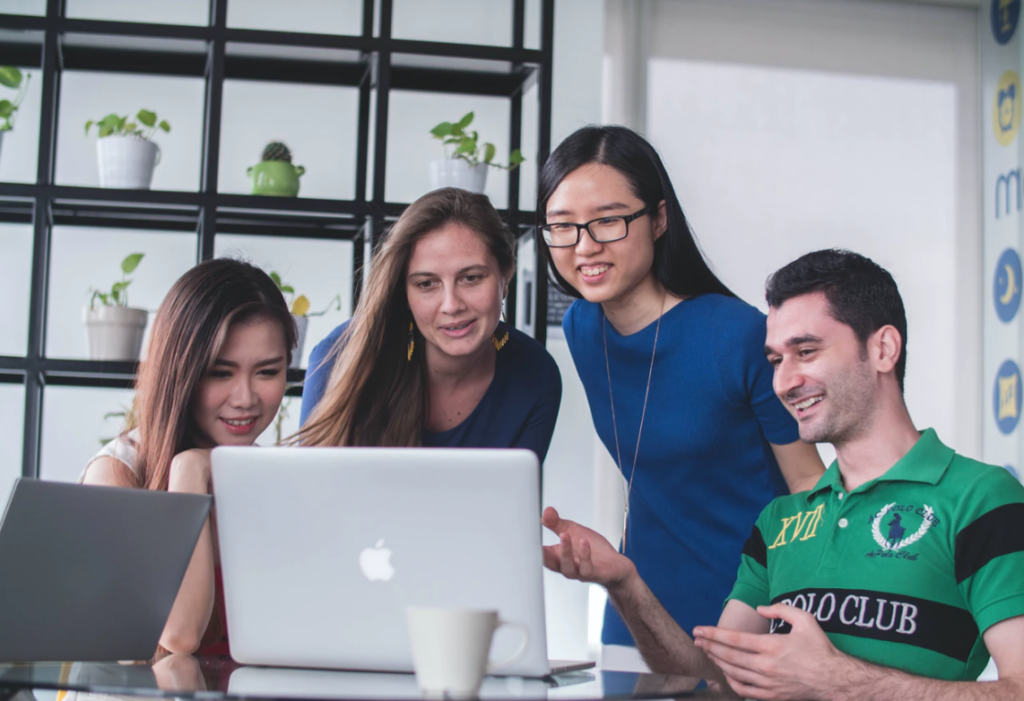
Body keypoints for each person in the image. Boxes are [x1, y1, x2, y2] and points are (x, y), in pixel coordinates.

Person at [543, 249, 1024, 699]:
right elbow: (712, 680)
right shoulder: (780, 520)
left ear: (883, 349)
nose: (784, 381)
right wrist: (625, 582)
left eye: (807, 351)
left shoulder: (980, 498)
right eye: (775, 359)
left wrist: (836, 679)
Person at [538, 125, 825, 665]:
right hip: (636, 612)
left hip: (746, 614)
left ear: (660, 218)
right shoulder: (582, 327)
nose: (585, 246)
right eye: (563, 227)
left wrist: (795, 615)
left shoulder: (736, 334)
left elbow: (808, 485)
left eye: (609, 220)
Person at [81, 258, 296, 655]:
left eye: (267, 372)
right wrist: (189, 474)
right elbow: (179, 634)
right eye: (220, 372)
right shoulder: (116, 472)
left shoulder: (267, 478)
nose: (245, 399)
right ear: (181, 372)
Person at [297, 187, 561, 460]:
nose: (451, 305)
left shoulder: (536, 375)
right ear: (404, 291)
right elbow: (311, 493)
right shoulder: (339, 357)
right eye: (426, 284)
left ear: (506, 276)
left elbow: (513, 500)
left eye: (471, 278)